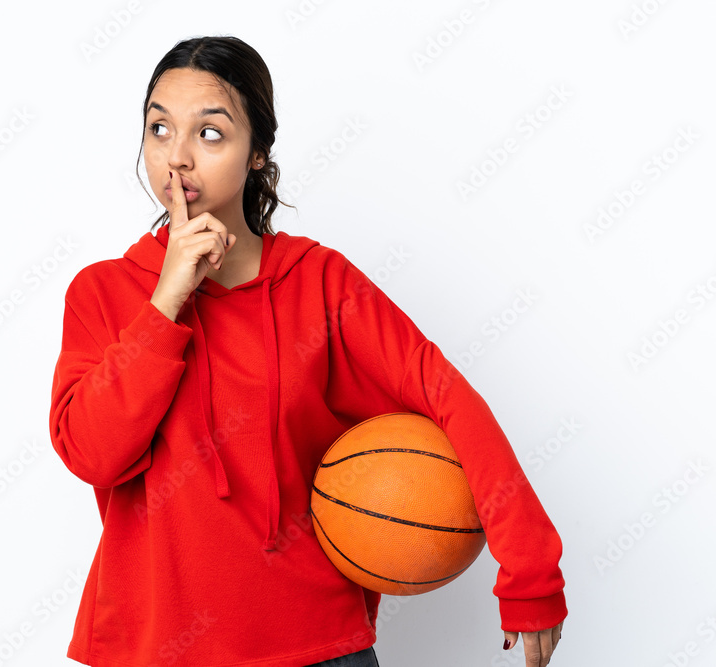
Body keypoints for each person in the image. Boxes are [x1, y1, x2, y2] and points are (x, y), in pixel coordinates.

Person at [49, 35, 566, 667]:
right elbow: (92, 453)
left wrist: (531, 569)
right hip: (152, 648)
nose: (177, 157)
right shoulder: (104, 292)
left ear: (258, 154)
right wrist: (166, 305)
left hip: (317, 648)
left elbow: (448, 399)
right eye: (159, 128)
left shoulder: (320, 285)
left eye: (210, 134)